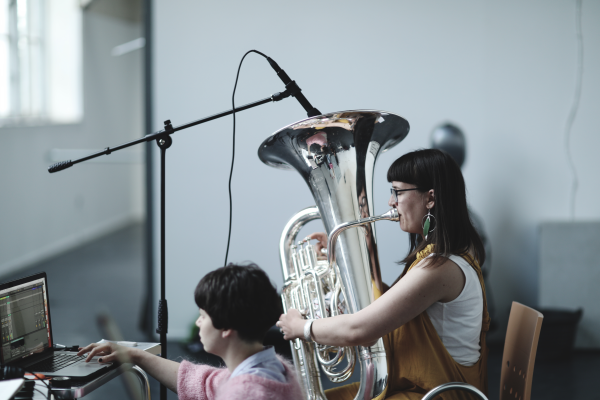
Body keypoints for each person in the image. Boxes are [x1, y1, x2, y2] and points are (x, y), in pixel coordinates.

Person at [278, 149, 490, 400]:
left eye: (397, 192)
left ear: (430, 198)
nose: (391, 202)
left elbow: (360, 329)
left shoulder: (440, 267)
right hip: (423, 387)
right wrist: (340, 261)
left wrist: (301, 327)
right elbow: (393, 307)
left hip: (437, 394)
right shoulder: (441, 258)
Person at [78, 263, 304, 400]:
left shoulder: (244, 393)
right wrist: (136, 355)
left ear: (226, 328)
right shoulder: (268, 369)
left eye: (203, 316)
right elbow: (202, 382)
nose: (197, 323)